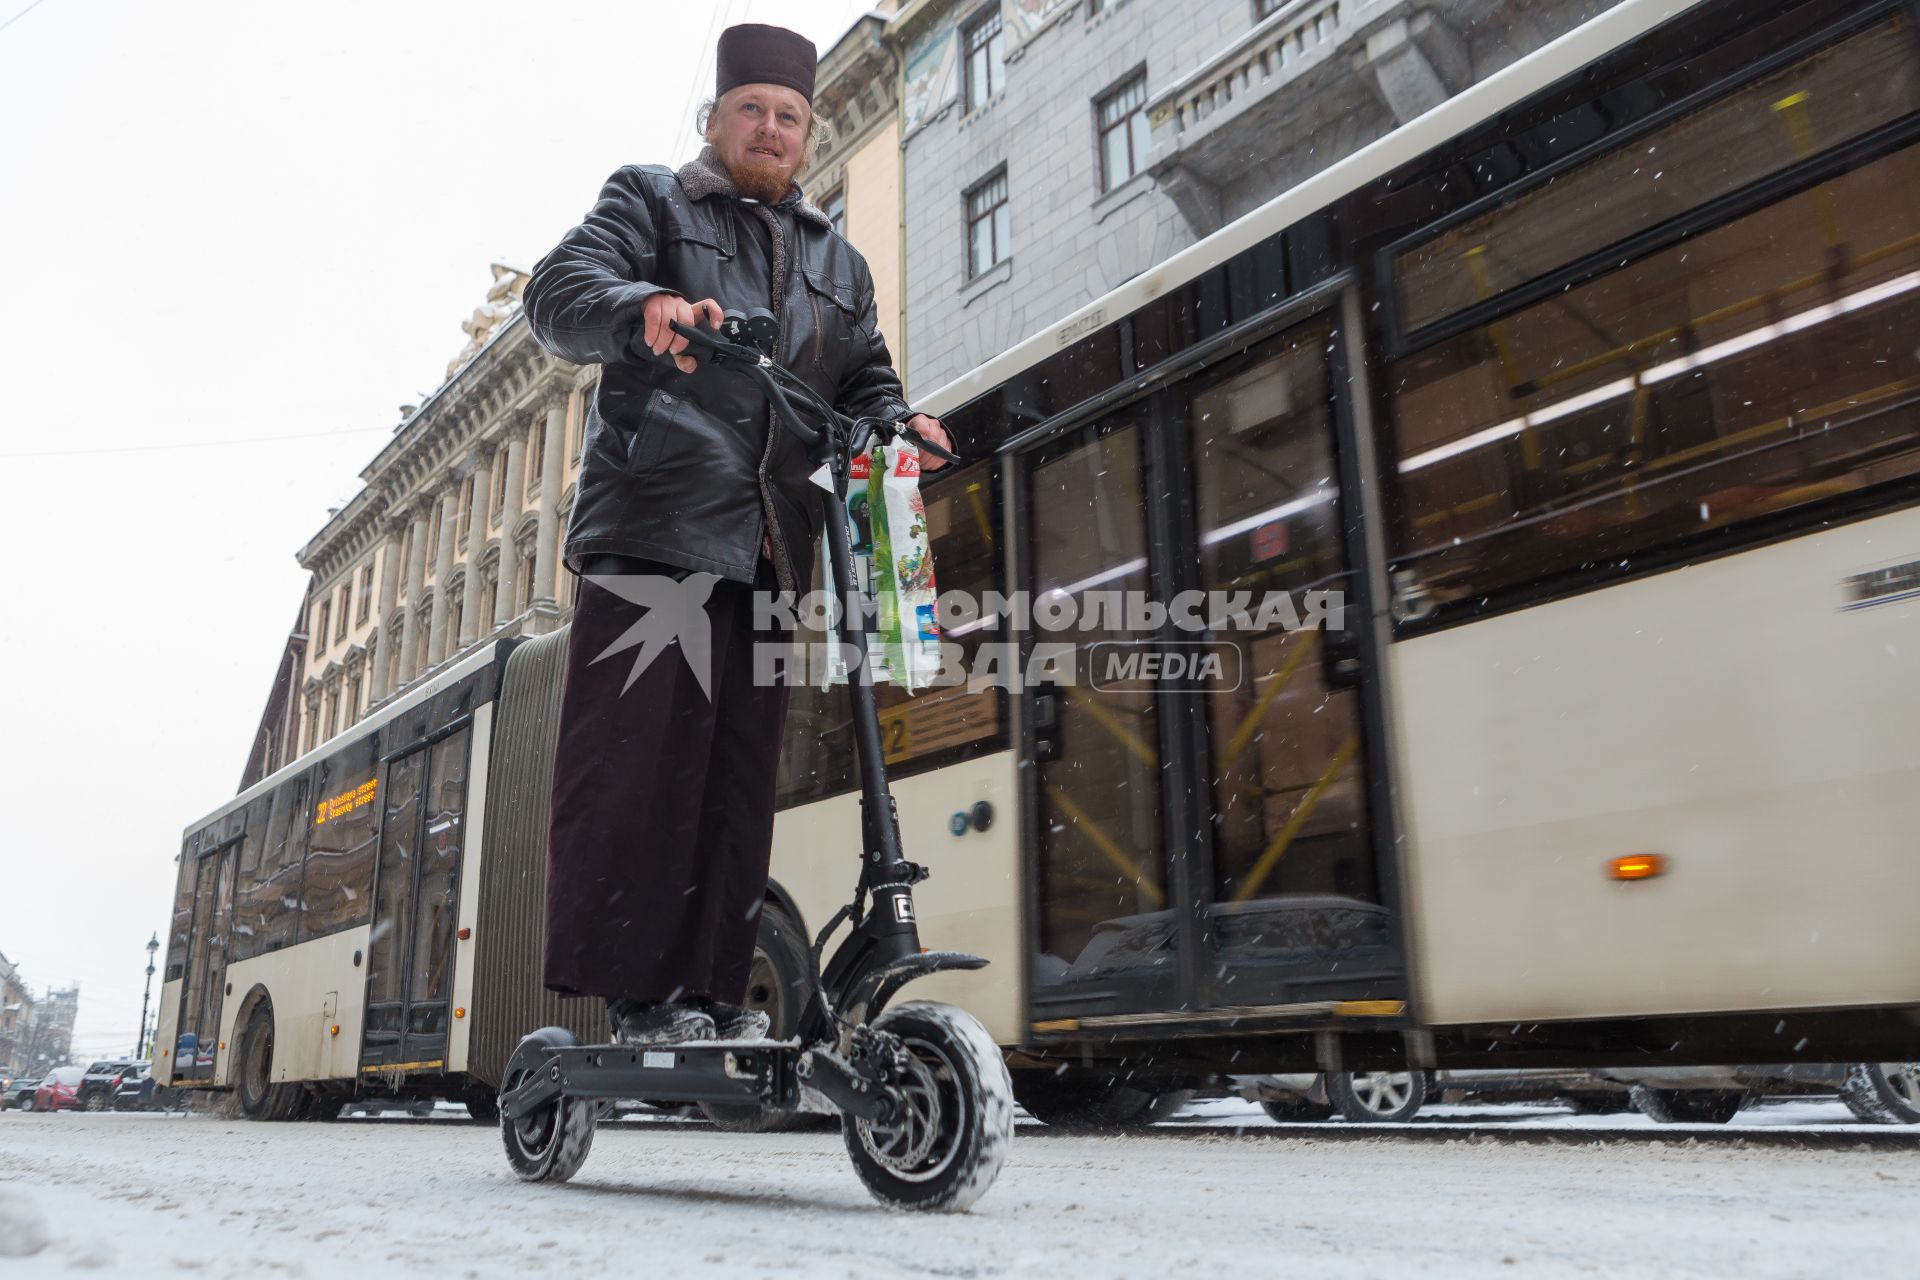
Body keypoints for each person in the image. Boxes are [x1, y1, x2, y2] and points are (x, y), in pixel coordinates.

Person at [522, 23, 951, 1046]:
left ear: (808, 136)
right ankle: (639, 1000)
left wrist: (901, 423)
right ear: (714, 120)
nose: (770, 127)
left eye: (789, 116)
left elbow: (864, 379)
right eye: (751, 109)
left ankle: (713, 998)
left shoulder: (837, 263)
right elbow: (560, 293)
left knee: (735, 787)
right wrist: (646, 307)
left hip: (768, 549)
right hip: (656, 532)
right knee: (637, 770)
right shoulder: (649, 202)